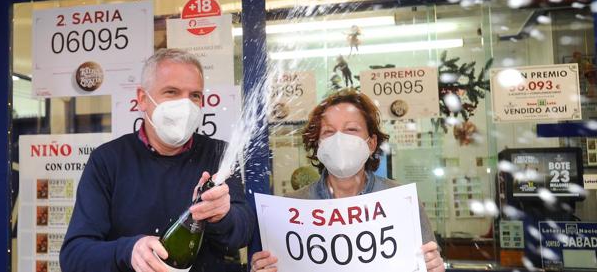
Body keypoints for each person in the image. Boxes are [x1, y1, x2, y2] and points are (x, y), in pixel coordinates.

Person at [60, 49, 254, 272]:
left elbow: (243, 233)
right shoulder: (108, 160)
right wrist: (128, 251)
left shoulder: (218, 154)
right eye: (171, 92)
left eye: (195, 96)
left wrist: (222, 216)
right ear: (142, 99)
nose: (185, 105)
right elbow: (74, 255)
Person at [251, 89, 445, 272]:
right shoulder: (289, 209)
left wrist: (433, 266)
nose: (339, 139)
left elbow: (424, 261)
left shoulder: (401, 203)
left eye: (351, 129)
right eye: (328, 131)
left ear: (371, 143)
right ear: (318, 145)